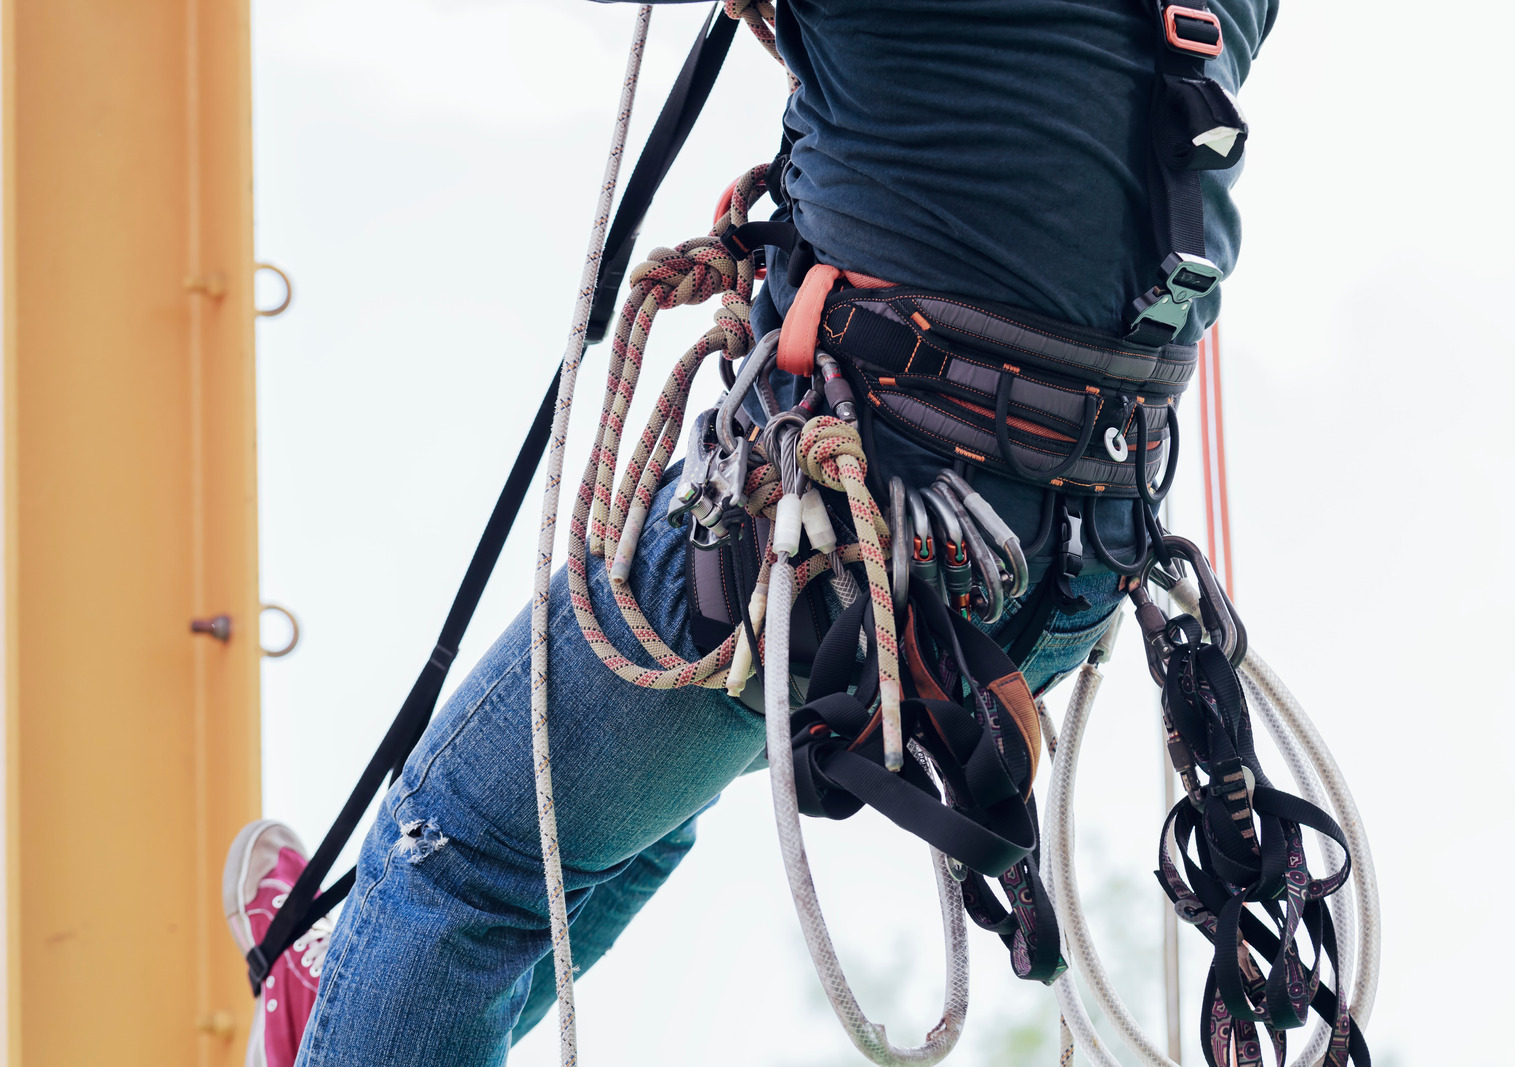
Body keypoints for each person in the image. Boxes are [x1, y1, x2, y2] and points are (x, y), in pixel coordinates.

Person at [223, 1, 1275, 1063]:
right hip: (1064, 566)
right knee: (634, 811)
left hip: (860, 524)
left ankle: (365, 1006)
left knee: (463, 861)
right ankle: (376, 1004)